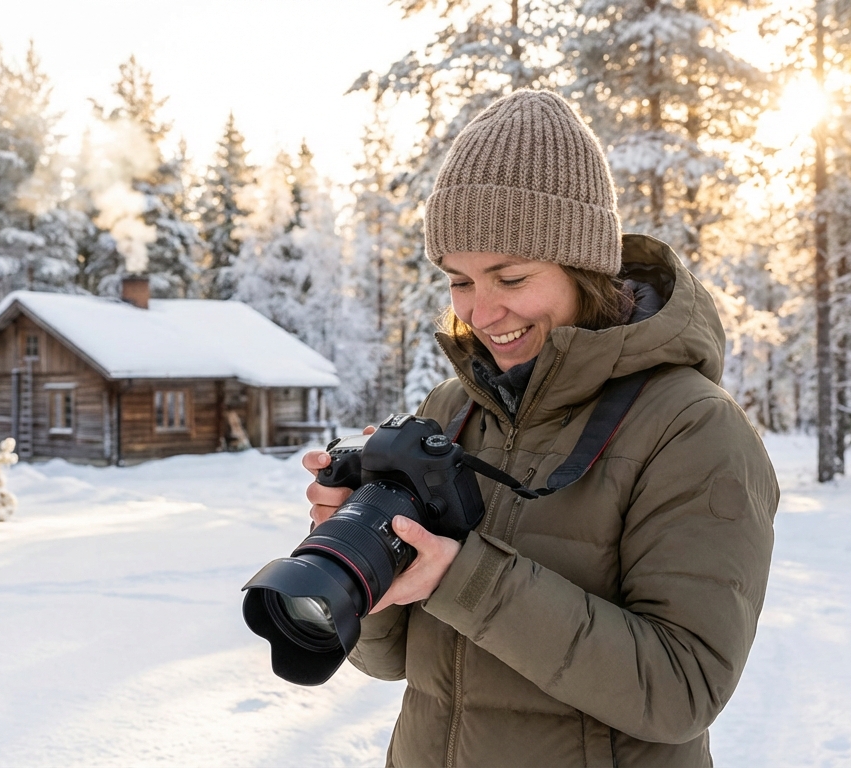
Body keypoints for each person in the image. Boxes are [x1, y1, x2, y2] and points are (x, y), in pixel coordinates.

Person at [302, 90, 778, 767]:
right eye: (459, 280)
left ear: (584, 265)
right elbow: (390, 660)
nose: (484, 311)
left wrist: (464, 579)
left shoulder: (692, 428)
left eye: (512, 276)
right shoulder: (451, 412)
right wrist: (356, 553)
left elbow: (682, 690)